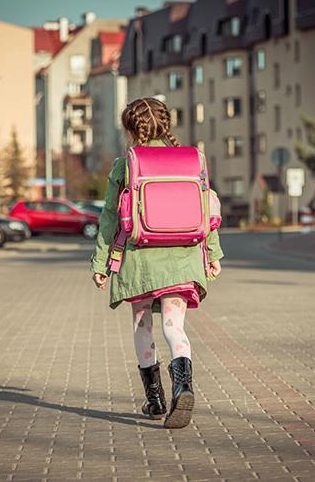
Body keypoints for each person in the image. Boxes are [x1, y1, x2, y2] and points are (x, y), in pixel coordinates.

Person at [90, 97, 224, 429]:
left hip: (139, 259)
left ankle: (155, 400)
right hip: (183, 257)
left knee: (142, 325)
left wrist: (100, 262)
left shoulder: (125, 165)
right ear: (167, 126)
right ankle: (183, 386)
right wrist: (213, 254)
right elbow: (208, 210)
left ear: (130, 129)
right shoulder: (195, 160)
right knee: (173, 326)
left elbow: (109, 217)